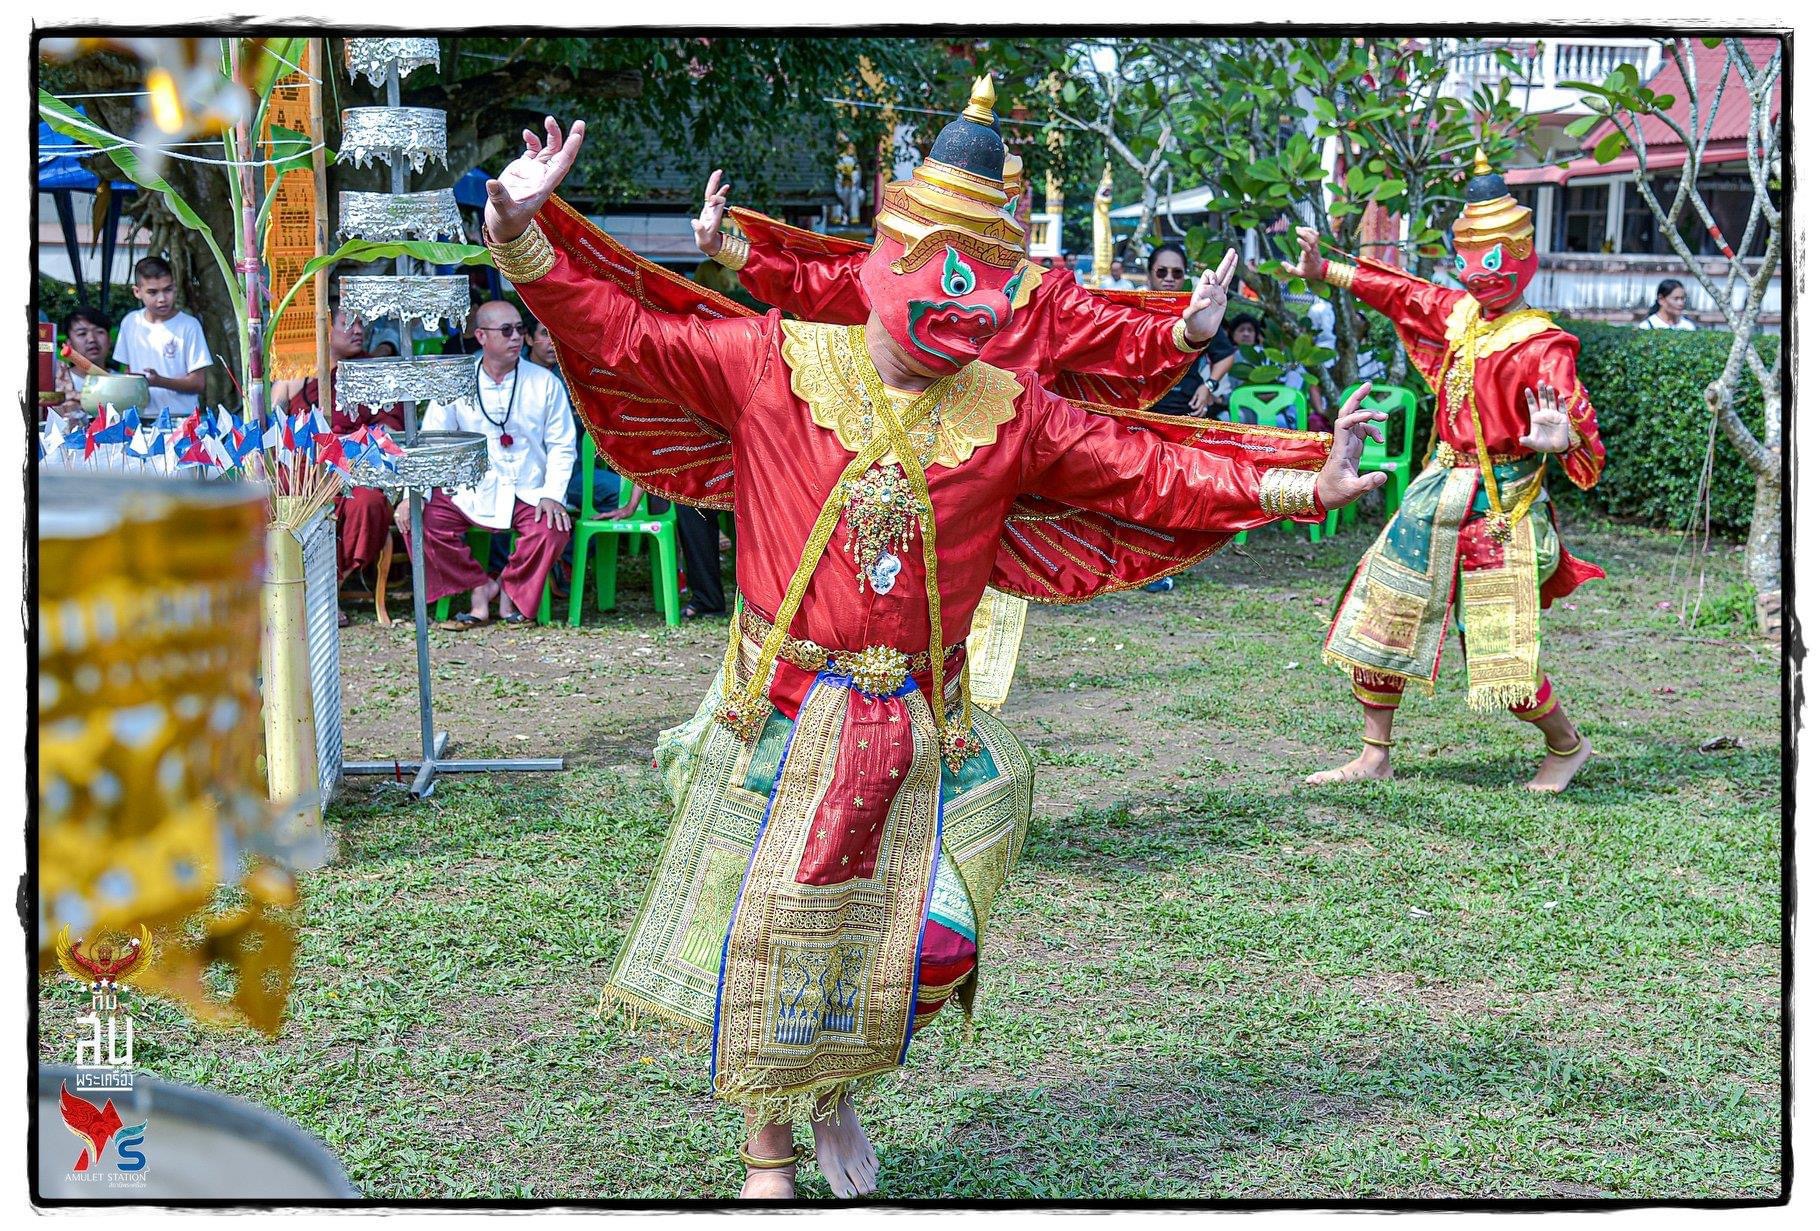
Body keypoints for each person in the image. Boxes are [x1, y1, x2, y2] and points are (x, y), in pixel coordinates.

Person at [485, 80, 1385, 1200]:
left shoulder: (1009, 409)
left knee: (926, 931)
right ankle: (772, 1149)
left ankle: (837, 1079)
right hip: (781, 709)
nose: (972, 308)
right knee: (770, 928)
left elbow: (1146, 464)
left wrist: (1302, 481)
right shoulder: (774, 362)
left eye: (995, 287)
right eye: (949, 277)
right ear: (882, 262)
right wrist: (522, 238)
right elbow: (621, 330)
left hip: (922, 723)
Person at [1286, 149, 1607, 793]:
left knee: (1493, 643)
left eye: (1492, 261)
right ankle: (1375, 752)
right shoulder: (1459, 314)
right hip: (1437, 490)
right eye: (1467, 260)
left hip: (1500, 503)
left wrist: (1562, 436)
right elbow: (1401, 291)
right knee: (1384, 608)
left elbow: (1584, 438)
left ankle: (1568, 745)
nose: (1478, 275)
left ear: (1520, 258)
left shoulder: (1543, 344)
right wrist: (1329, 272)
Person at [405, 299, 576, 627]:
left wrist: (553, 493)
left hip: (528, 486)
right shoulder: (456, 380)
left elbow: (562, 445)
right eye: (506, 330)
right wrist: (412, 495)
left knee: (552, 529)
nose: (515, 338)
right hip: (469, 489)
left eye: (519, 330)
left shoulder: (544, 382)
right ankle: (479, 587)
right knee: (417, 521)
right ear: (481, 336)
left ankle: (511, 591)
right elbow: (432, 440)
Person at [272, 305, 404, 622]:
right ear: (325, 328)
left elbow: (391, 426)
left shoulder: (374, 372)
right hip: (309, 470)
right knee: (284, 498)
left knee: (368, 504)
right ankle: (291, 588)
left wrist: (359, 442)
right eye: (348, 323)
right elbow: (276, 422)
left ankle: (330, 589)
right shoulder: (300, 373)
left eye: (362, 323)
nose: (358, 330)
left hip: (357, 469)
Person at [112, 256, 211, 421]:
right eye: (152, 292)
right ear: (137, 292)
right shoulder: (130, 322)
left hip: (182, 420)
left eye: (168, 289)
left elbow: (198, 383)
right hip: (140, 418)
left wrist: (159, 381)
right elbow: (128, 372)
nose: (162, 298)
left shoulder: (189, 326)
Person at [50, 305, 121, 422]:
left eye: (99, 332)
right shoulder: (56, 381)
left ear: (109, 341)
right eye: (82, 334)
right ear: (69, 344)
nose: (92, 339)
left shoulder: (123, 382)